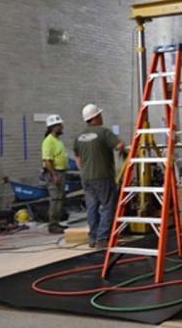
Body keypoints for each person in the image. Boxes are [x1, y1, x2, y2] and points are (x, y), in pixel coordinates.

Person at [74, 104, 125, 248]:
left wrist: (86, 171)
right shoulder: (104, 133)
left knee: (92, 207)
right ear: (96, 117)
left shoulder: (79, 137)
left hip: (86, 178)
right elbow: (119, 146)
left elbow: (78, 160)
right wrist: (125, 152)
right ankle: (103, 239)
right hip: (103, 177)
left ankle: (93, 238)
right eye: (100, 114)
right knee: (108, 206)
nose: (102, 116)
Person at [41, 114, 69, 234]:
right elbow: (47, 160)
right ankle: (53, 225)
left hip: (60, 172)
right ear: (53, 127)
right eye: (60, 126)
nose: (62, 127)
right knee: (56, 199)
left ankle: (56, 223)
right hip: (54, 173)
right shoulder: (48, 141)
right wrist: (54, 175)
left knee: (60, 198)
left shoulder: (57, 140)